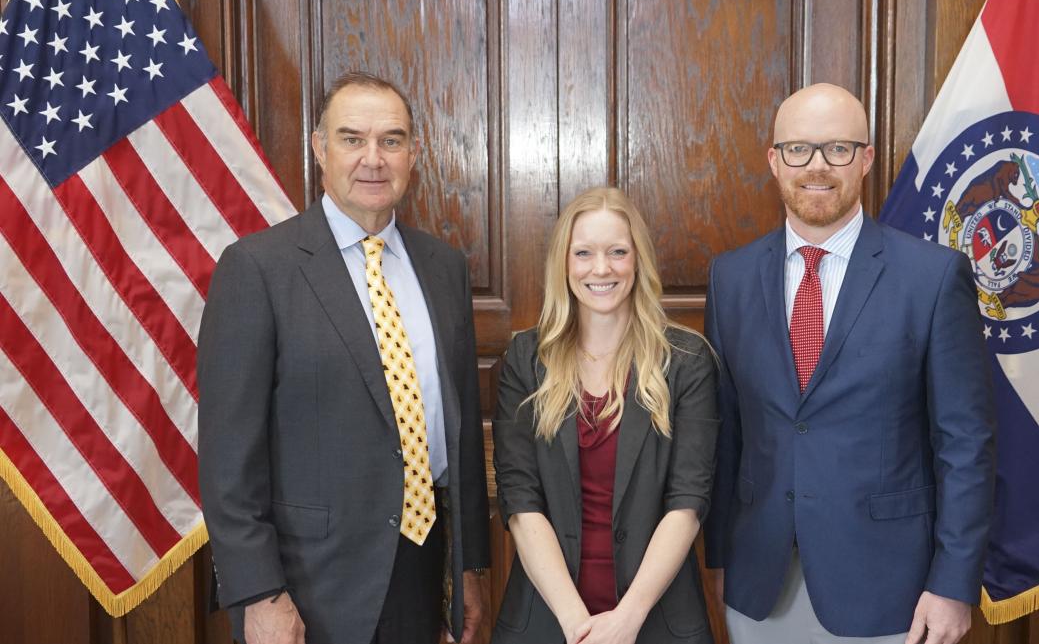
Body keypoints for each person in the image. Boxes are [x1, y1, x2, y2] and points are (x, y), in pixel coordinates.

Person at [198, 71, 490, 644]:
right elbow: (228, 461)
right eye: (352, 138)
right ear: (319, 148)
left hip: (422, 572)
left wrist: (471, 569)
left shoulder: (443, 268)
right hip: (307, 590)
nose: (373, 159)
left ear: (414, 152)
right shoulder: (258, 268)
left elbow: (460, 438)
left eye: (391, 140)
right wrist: (259, 594)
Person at [703, 83, 996, 644]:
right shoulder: (730, 277)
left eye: (837, 148)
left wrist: (955, 584)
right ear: (774, 161)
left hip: (894, 591)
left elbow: (966, 444)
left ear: (865, 160)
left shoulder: (932, 278)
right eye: (798, 150)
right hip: (760, 585)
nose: (817, 166)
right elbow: (727, 430)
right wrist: (719, 560)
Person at [491, 187, 720, 644]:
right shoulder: (525, 359)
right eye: (584, 253)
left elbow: (688, 502)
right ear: (564, 263)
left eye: (618, 251)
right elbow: (521, 502)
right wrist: (579, 626)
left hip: (656, 621)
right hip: (547, 619)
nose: (601, 268)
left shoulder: (686, 360)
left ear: (638, 261)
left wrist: (625, 620)